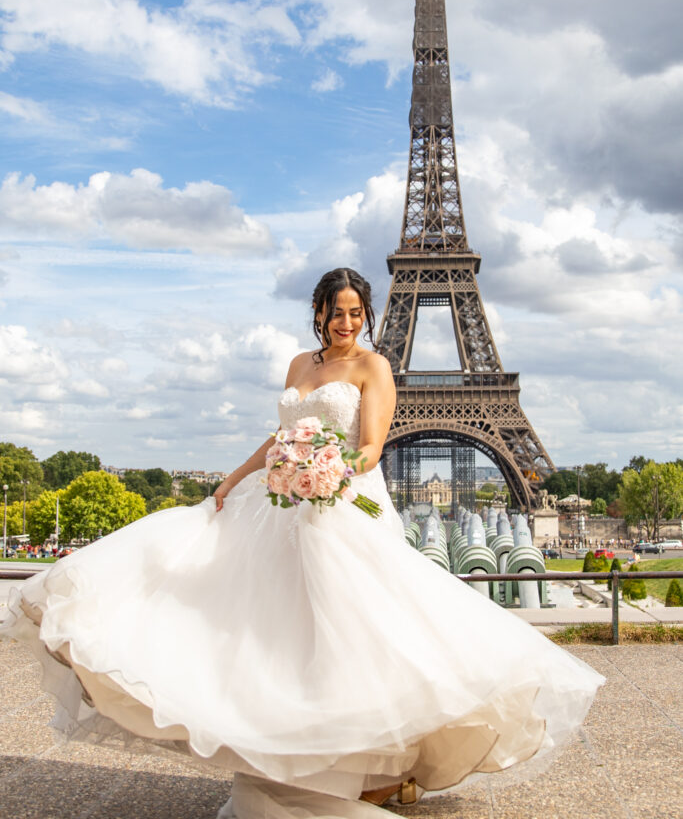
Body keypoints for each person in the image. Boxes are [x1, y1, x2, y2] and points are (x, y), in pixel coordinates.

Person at [1, 268, 604, 819]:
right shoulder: (299, 365)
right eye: (337, 312)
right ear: (318, 312)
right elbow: (280, 437)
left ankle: (370, 765)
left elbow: (372, 447)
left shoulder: (374, 366)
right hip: (282, 506)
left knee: (356, 640)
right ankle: (293, 747)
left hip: (341, 508)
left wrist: (331, 470)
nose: (347, 322)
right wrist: (235, 478)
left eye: (356, 312)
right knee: (275, 635)